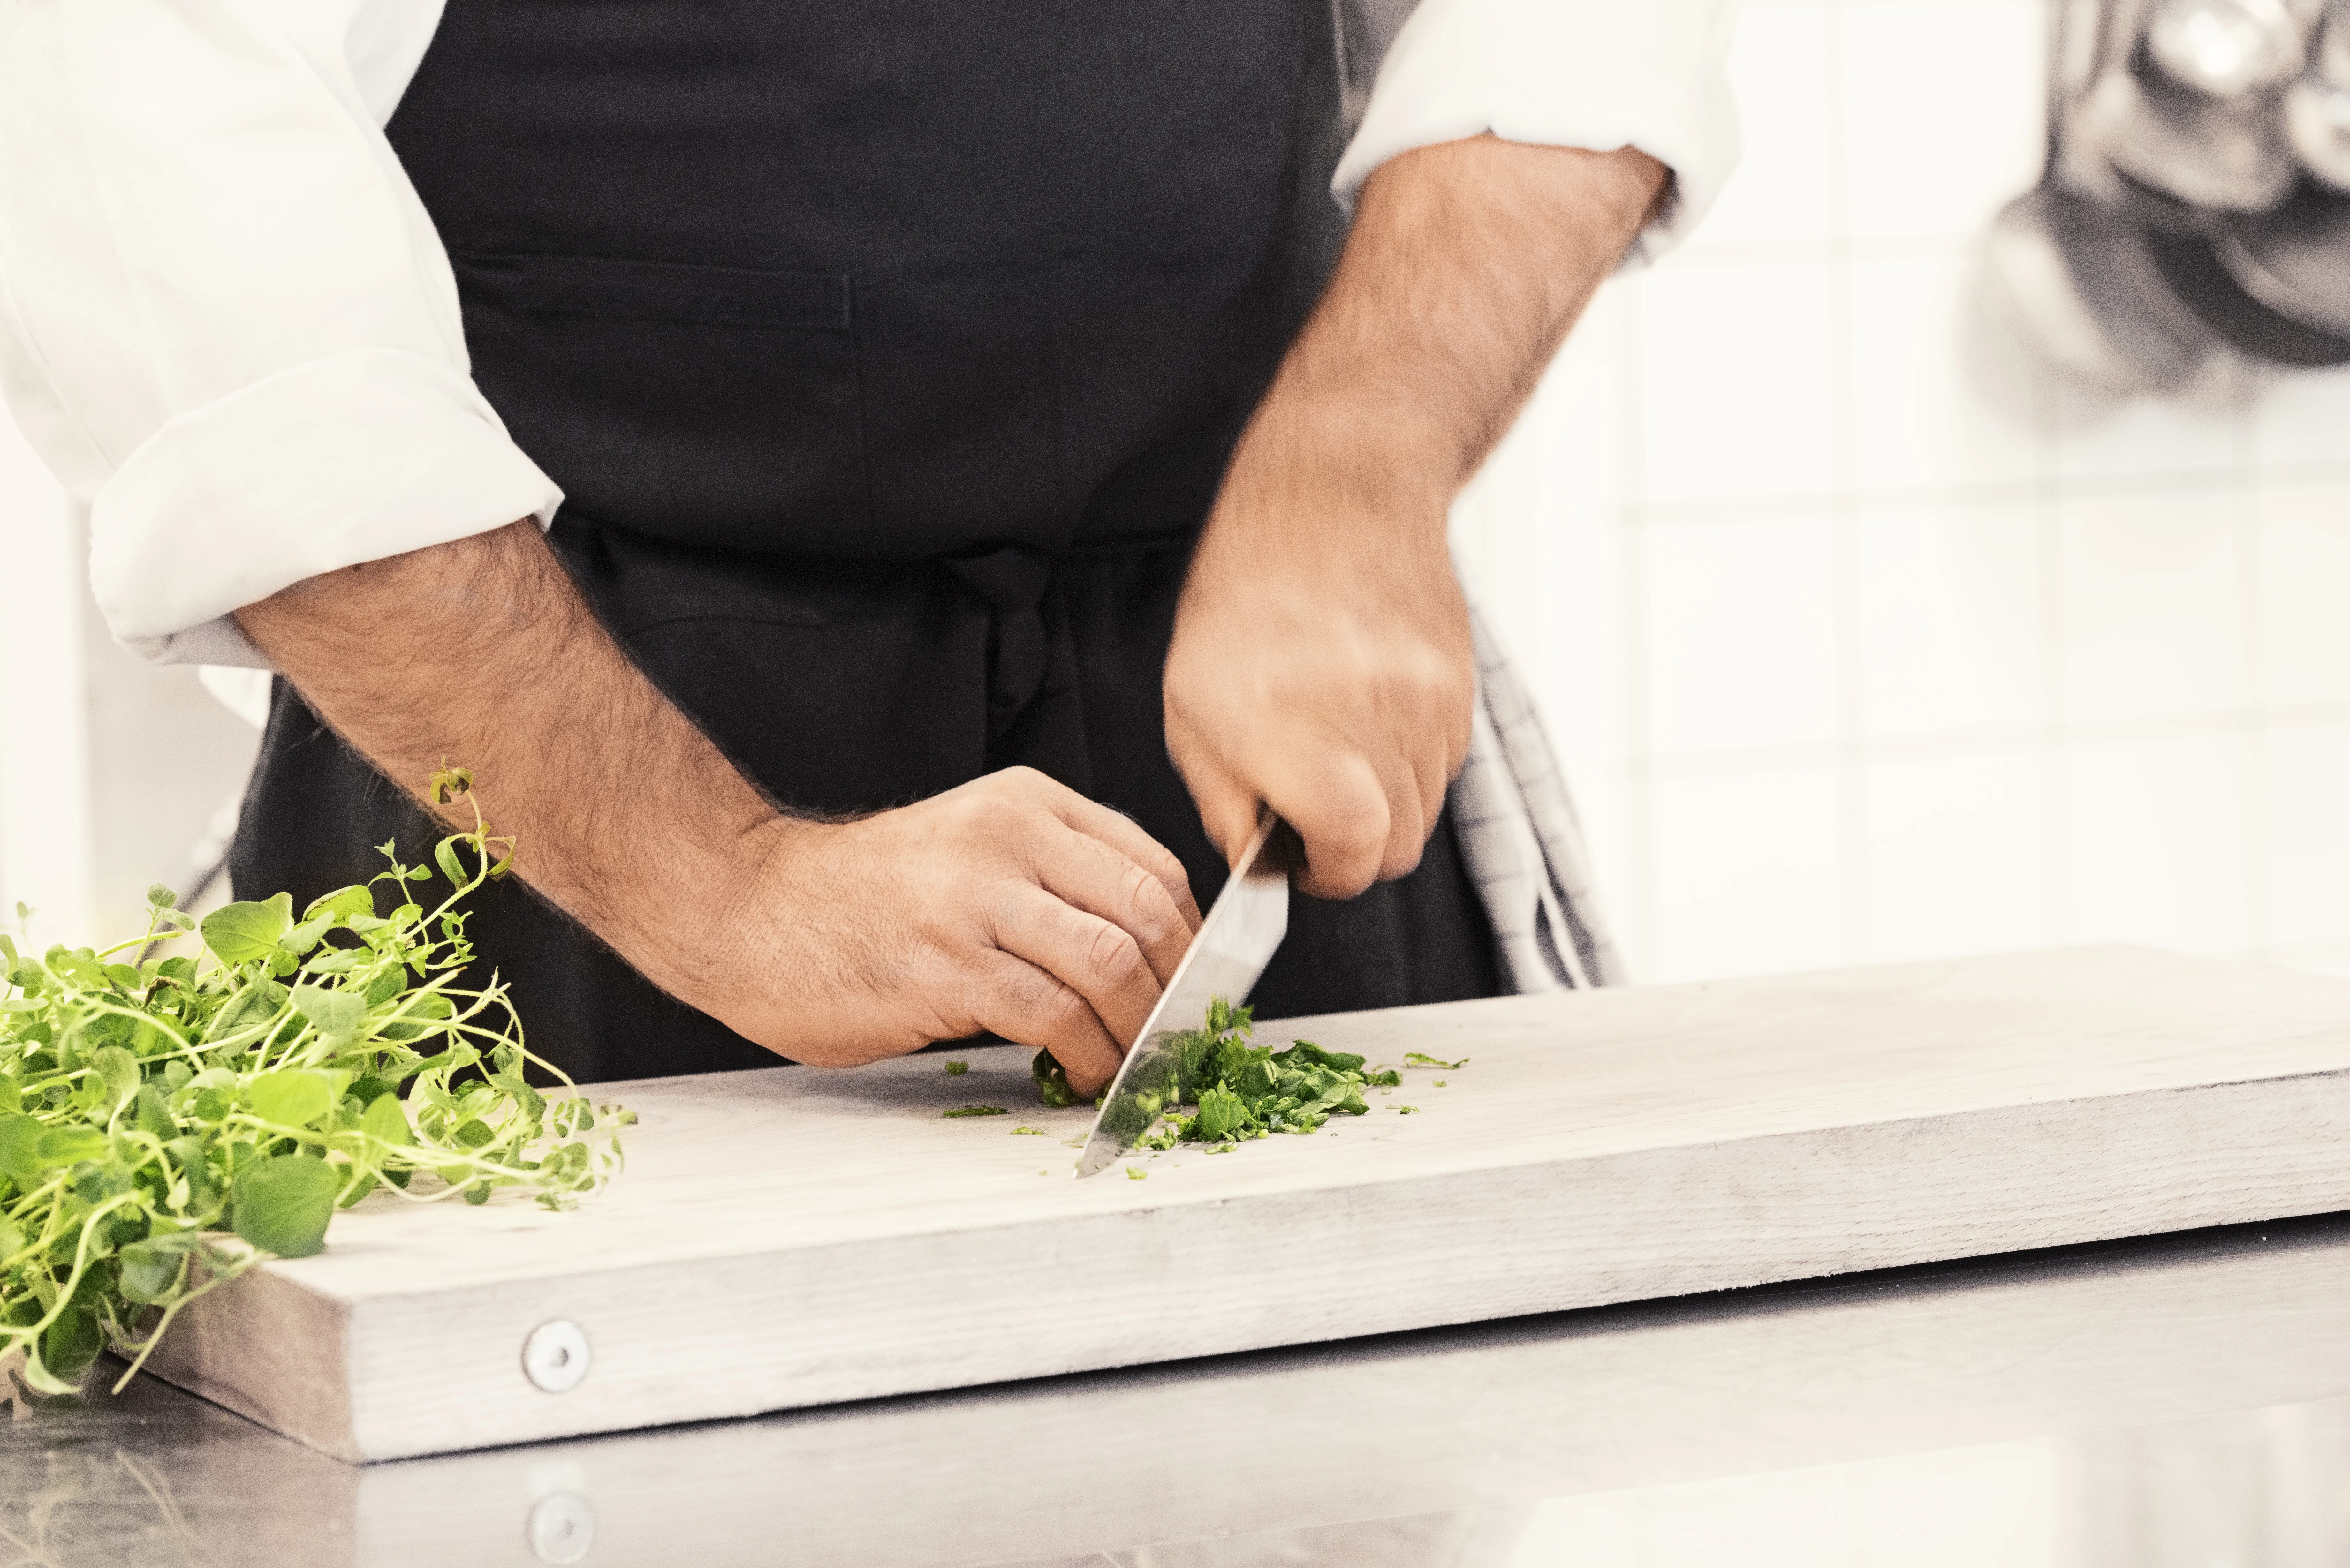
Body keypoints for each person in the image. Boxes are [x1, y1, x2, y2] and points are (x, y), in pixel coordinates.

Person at [0, 0, 1736, 1094]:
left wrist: (1363, 462)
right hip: (569, 817)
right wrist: (728, 885)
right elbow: (179, 234)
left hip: (1244, 779)